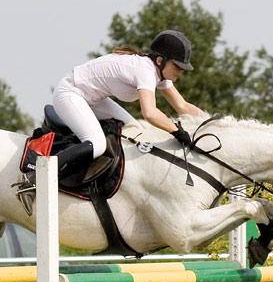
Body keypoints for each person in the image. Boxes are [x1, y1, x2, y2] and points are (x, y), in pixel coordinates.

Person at [45, 29, 206, 180]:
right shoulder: (145, 71)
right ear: (160, 60)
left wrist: (211, 122)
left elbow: (182, 106)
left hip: (92, 99)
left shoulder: (159, 74)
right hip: (70, 93)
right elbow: (149, 113)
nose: (180, 71)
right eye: (177, 66)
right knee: (97, 143)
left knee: (135, 131)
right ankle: (40, 176)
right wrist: (176, 131)